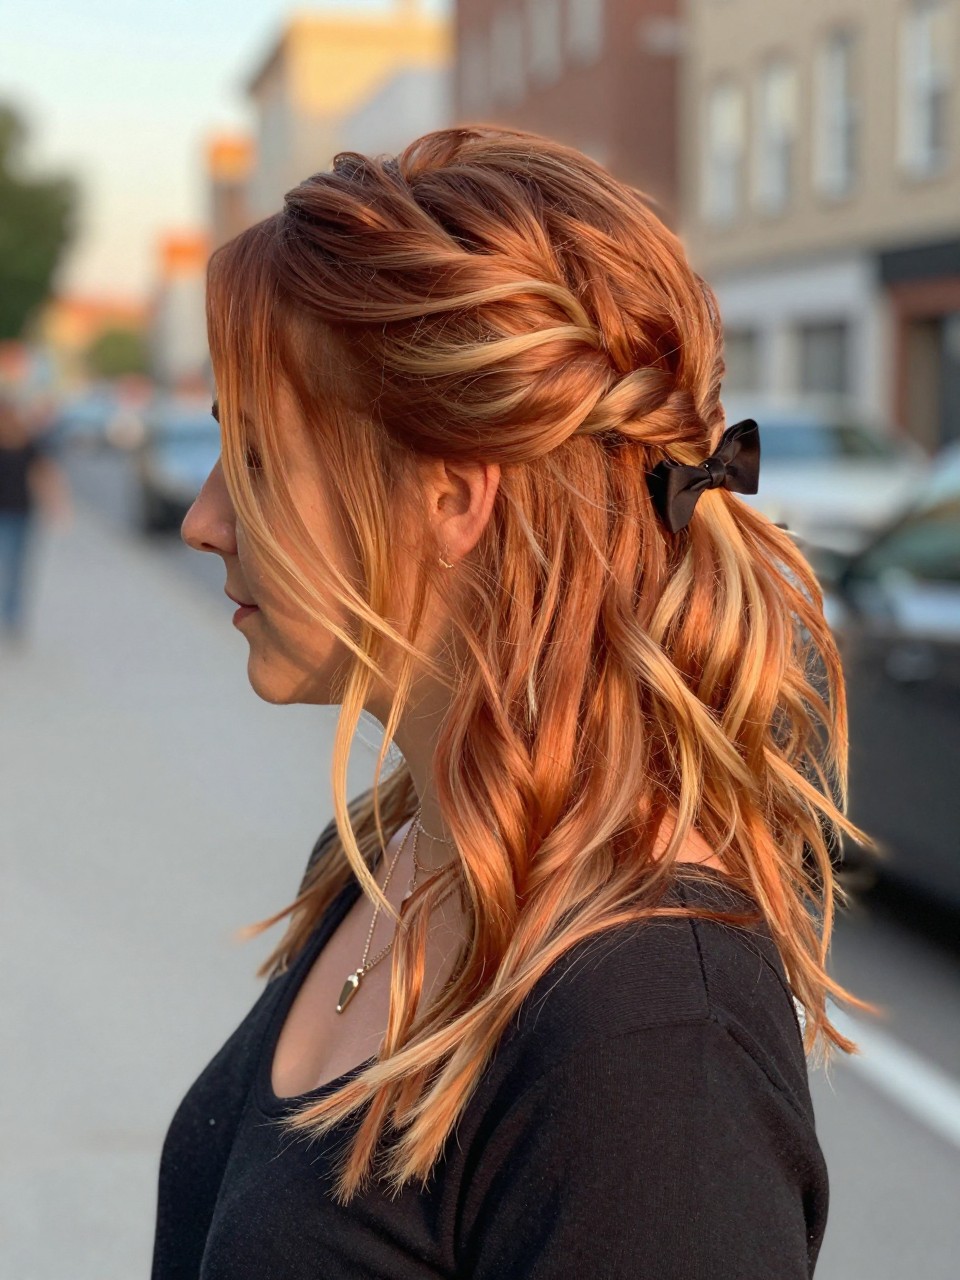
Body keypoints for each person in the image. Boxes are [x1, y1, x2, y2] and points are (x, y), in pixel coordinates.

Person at [162, 125, 877, 1278]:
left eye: (251, 457)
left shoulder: (646, 1034)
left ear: (449, 494)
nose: (204, 518)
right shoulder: (398, 851)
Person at [0, 390, 70, 646]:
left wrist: (57, 506)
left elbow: (44, 474)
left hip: (22, 513)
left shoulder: (28, 442)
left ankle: (13, 617)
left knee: (18, 568)